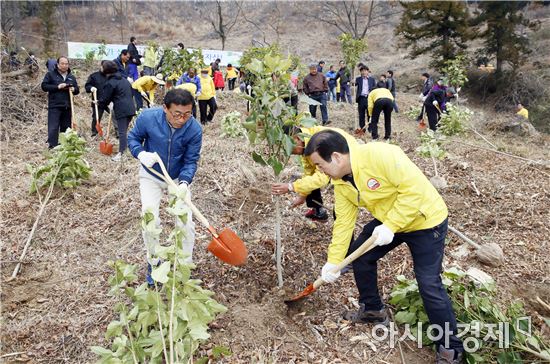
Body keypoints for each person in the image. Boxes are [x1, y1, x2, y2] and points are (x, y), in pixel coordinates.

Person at [304, 130, 464, 364]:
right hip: (390, 219)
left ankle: (452, 349)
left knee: (429, 283)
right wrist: (334, 261)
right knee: (361, 257)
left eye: (319, 164)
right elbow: (344, 224)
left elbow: (414, 192)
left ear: (336, 157)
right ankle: (373, 309)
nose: (319, 171)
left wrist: (391, 225)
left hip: (425, 219)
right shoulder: (341, 183)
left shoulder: (382, 155)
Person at [128, 89, 202, 286]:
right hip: (151, 174)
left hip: (177, 178)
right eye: (177, 114)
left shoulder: (194, 129)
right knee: (149, 218)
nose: (182, 119)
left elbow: (191, 160)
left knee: (185, 223)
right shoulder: (148, 118)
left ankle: (184, 267)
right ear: (165, 109)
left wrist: (185, 182)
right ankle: (154, 263)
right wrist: (140, 153)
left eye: (187, 114)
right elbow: (133, 138)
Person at [271, 125, 357, 220]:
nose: (288, 151)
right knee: (309, 181)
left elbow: (322, 177)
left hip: (352, 164)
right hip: (338, 167)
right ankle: (317, 210)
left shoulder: (318, 144)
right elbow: (309, 172)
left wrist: (291, 187)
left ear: (297, 138)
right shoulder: (306, 144)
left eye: (286, 145)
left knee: (342, 212)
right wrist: (302, 196)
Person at [99, 60, 136, 161]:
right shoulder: (124, 80)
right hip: (131, 108)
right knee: (124, 131)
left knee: (122, 132)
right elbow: (130, 93)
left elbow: (105, 98)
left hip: (121, 109)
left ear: (106, 70)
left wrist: (99, 103)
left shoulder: (111, 82)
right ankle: (125, 150)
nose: (100, 68)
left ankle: (122, 153)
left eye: (102, 67)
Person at [41, 56, 80, 148]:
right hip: (55, 105)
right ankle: (52, 146)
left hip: (67, 106)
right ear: (58, 65)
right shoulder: (50, 75)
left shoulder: (71, 77)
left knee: (66, 127)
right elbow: (44, 86)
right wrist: (57, 87)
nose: (64, 65)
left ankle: (64, 146)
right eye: (62, 63)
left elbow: (77, 90)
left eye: (66, 64)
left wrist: (74, 89)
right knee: (53, 127)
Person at [85, 60, 108, 136]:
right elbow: (87, 86)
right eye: (104, 67)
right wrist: (91, 88)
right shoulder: (94, 76)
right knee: (96, 117)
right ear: (100, 66)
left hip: (109, 101)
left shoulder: (111, 76)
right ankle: (94, 132)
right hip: (97, 101)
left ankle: (117, 133)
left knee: (115, 115)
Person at [355, 66, 376, 136]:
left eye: (365, 71)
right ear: (360, 72)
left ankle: (370, 128)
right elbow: (352, 84)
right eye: (362, 71)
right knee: (361, 115)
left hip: (369, 98)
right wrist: (352, 82)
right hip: (361, 98)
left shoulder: (372, 79)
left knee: (370, 114)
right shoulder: (358, 79)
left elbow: (374, 88)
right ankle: (362, 129)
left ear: (368, 71)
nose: (364, 72)